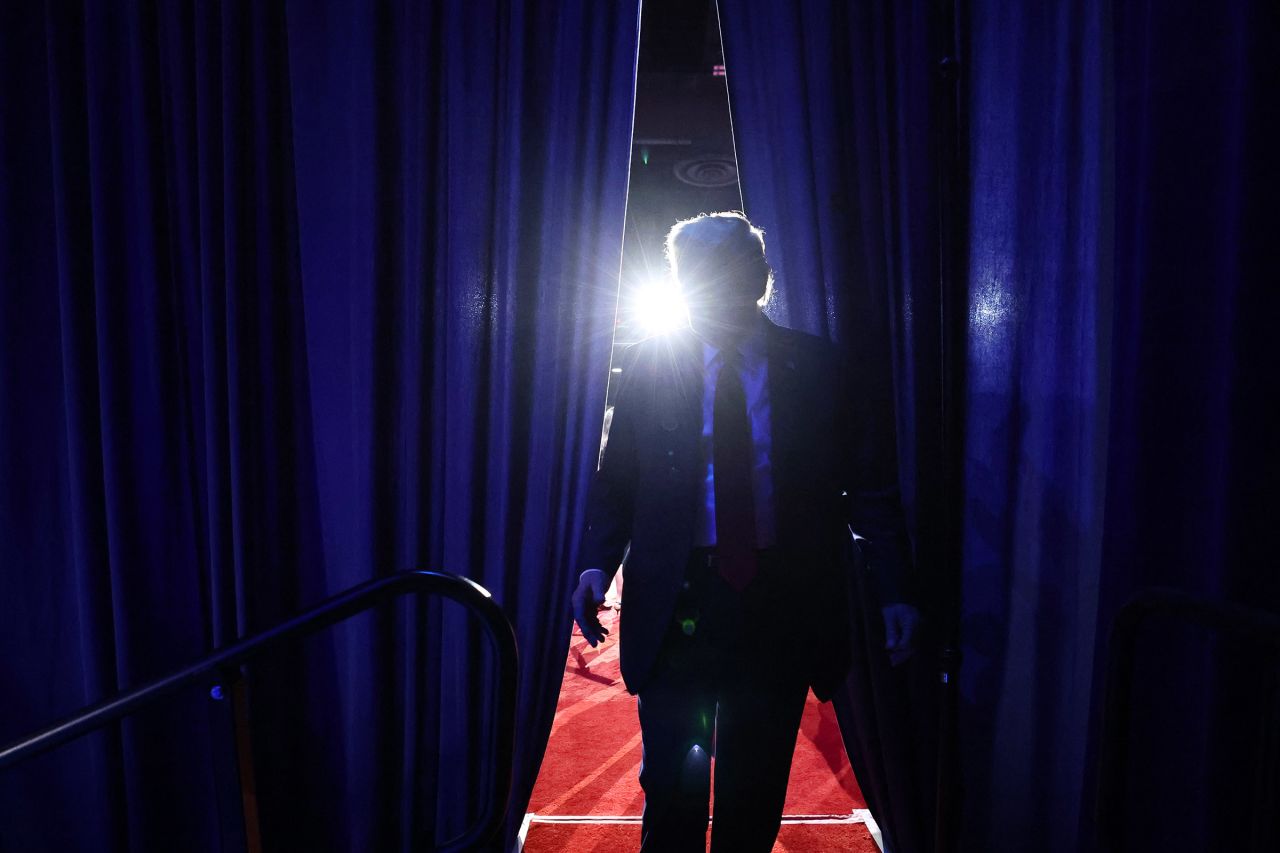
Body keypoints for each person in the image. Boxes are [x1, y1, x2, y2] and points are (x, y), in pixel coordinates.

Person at [571, 211, 919, 852]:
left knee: (753, 794)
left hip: (778, 605)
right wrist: (595, 561)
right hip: (678, 601)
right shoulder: (650, 367)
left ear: (759, 276)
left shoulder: (817, 367)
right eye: (693, 273)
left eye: (723, 270)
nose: (708, 285)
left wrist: (896, 587)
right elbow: (618, 481)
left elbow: (866, 483)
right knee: (672, 790)